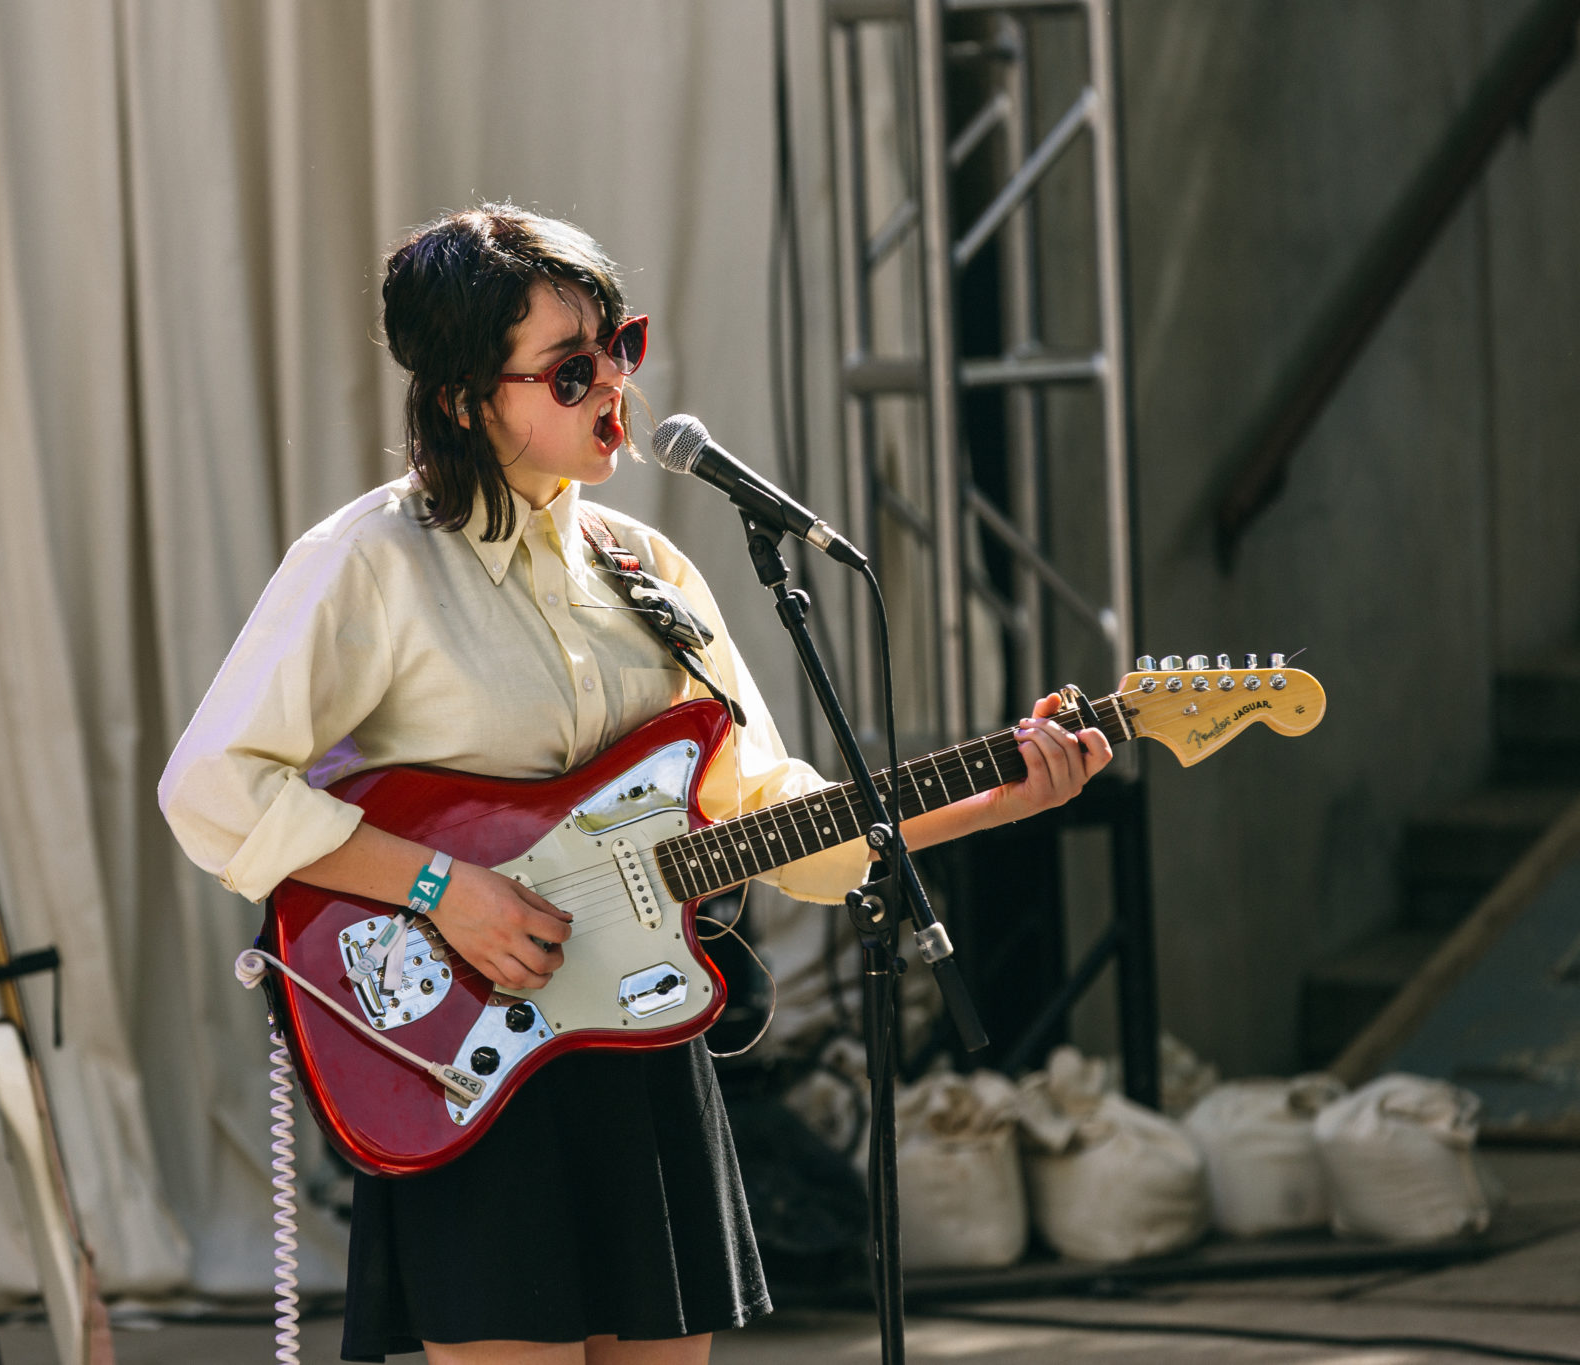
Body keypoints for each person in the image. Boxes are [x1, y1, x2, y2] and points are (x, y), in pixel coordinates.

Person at [158, 204, 1111, 1365]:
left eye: (622, 342)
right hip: (472, 1052)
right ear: (463, 398)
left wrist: (998, 795)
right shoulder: (368, 562)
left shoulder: (646, 571)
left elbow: (767, 819)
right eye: (570, 368)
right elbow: (212, 787)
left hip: (642, 1042)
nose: (614, 381)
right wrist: (437, 889)